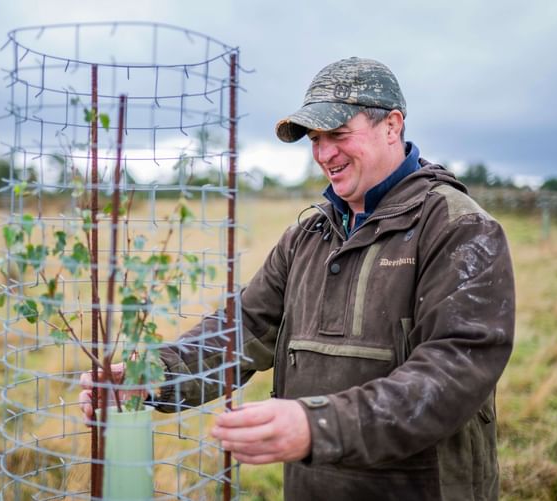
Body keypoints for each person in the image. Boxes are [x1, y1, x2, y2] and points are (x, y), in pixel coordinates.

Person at [81, 56, 515, 500]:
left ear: (392, 126)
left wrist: (316, 424)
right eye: (315, 138)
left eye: (339, 134)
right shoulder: (308, 234)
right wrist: (152, 375)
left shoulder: (458, 228)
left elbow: (453, 370)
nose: (324, 153)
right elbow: (244, 328)